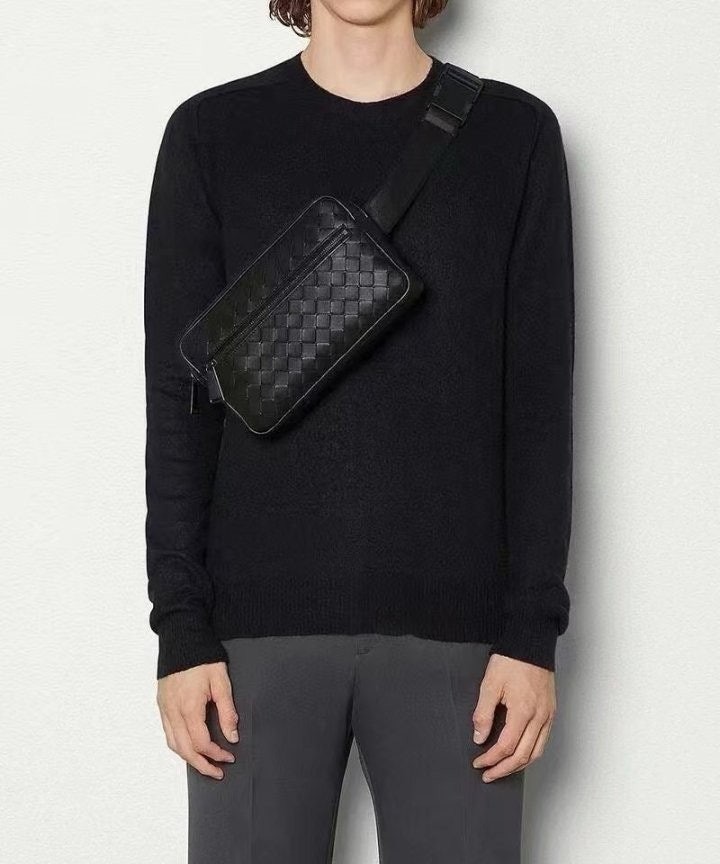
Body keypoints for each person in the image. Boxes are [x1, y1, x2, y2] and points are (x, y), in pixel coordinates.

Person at [143, 1, 574, 861]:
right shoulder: (211, 134)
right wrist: (180, 630)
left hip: (462, 642)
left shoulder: (514, 135)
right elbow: (180, 403)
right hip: (250, 641)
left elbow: (537, 404)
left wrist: (532, 633)